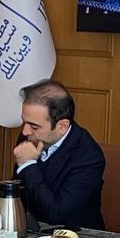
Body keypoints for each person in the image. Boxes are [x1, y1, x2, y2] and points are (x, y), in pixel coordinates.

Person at [12, 80, 105, 229]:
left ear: (62, 126)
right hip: (31, 231)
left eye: (34, 126)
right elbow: (21, 191)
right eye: (24, 122)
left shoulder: (88, 157)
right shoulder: (30, 137)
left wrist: (28, 165)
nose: (25, 131)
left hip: (75, 236)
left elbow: (56, 214)